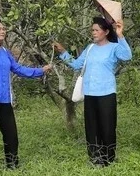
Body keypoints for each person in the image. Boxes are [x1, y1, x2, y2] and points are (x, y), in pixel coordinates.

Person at [0, 17, 51, 169]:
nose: (3, 31)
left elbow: (18, 69)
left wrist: (41, 70)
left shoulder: (5, 52)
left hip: (4, 99)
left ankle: (12, 165)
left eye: (4, 29)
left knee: (11, 134)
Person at [54, 17, 132, 166]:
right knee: (92, 127)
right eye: (92, 30)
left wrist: (120, 34)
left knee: (107, 127)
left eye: (96, 30)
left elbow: (127, 56)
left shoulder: (114, 47)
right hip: (90, 93)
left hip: (107, 93)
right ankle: (95, 158)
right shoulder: (90, 48)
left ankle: (108, 158)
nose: (93, 33)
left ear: (106, 32)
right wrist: (63, 52)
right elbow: (77, 65)